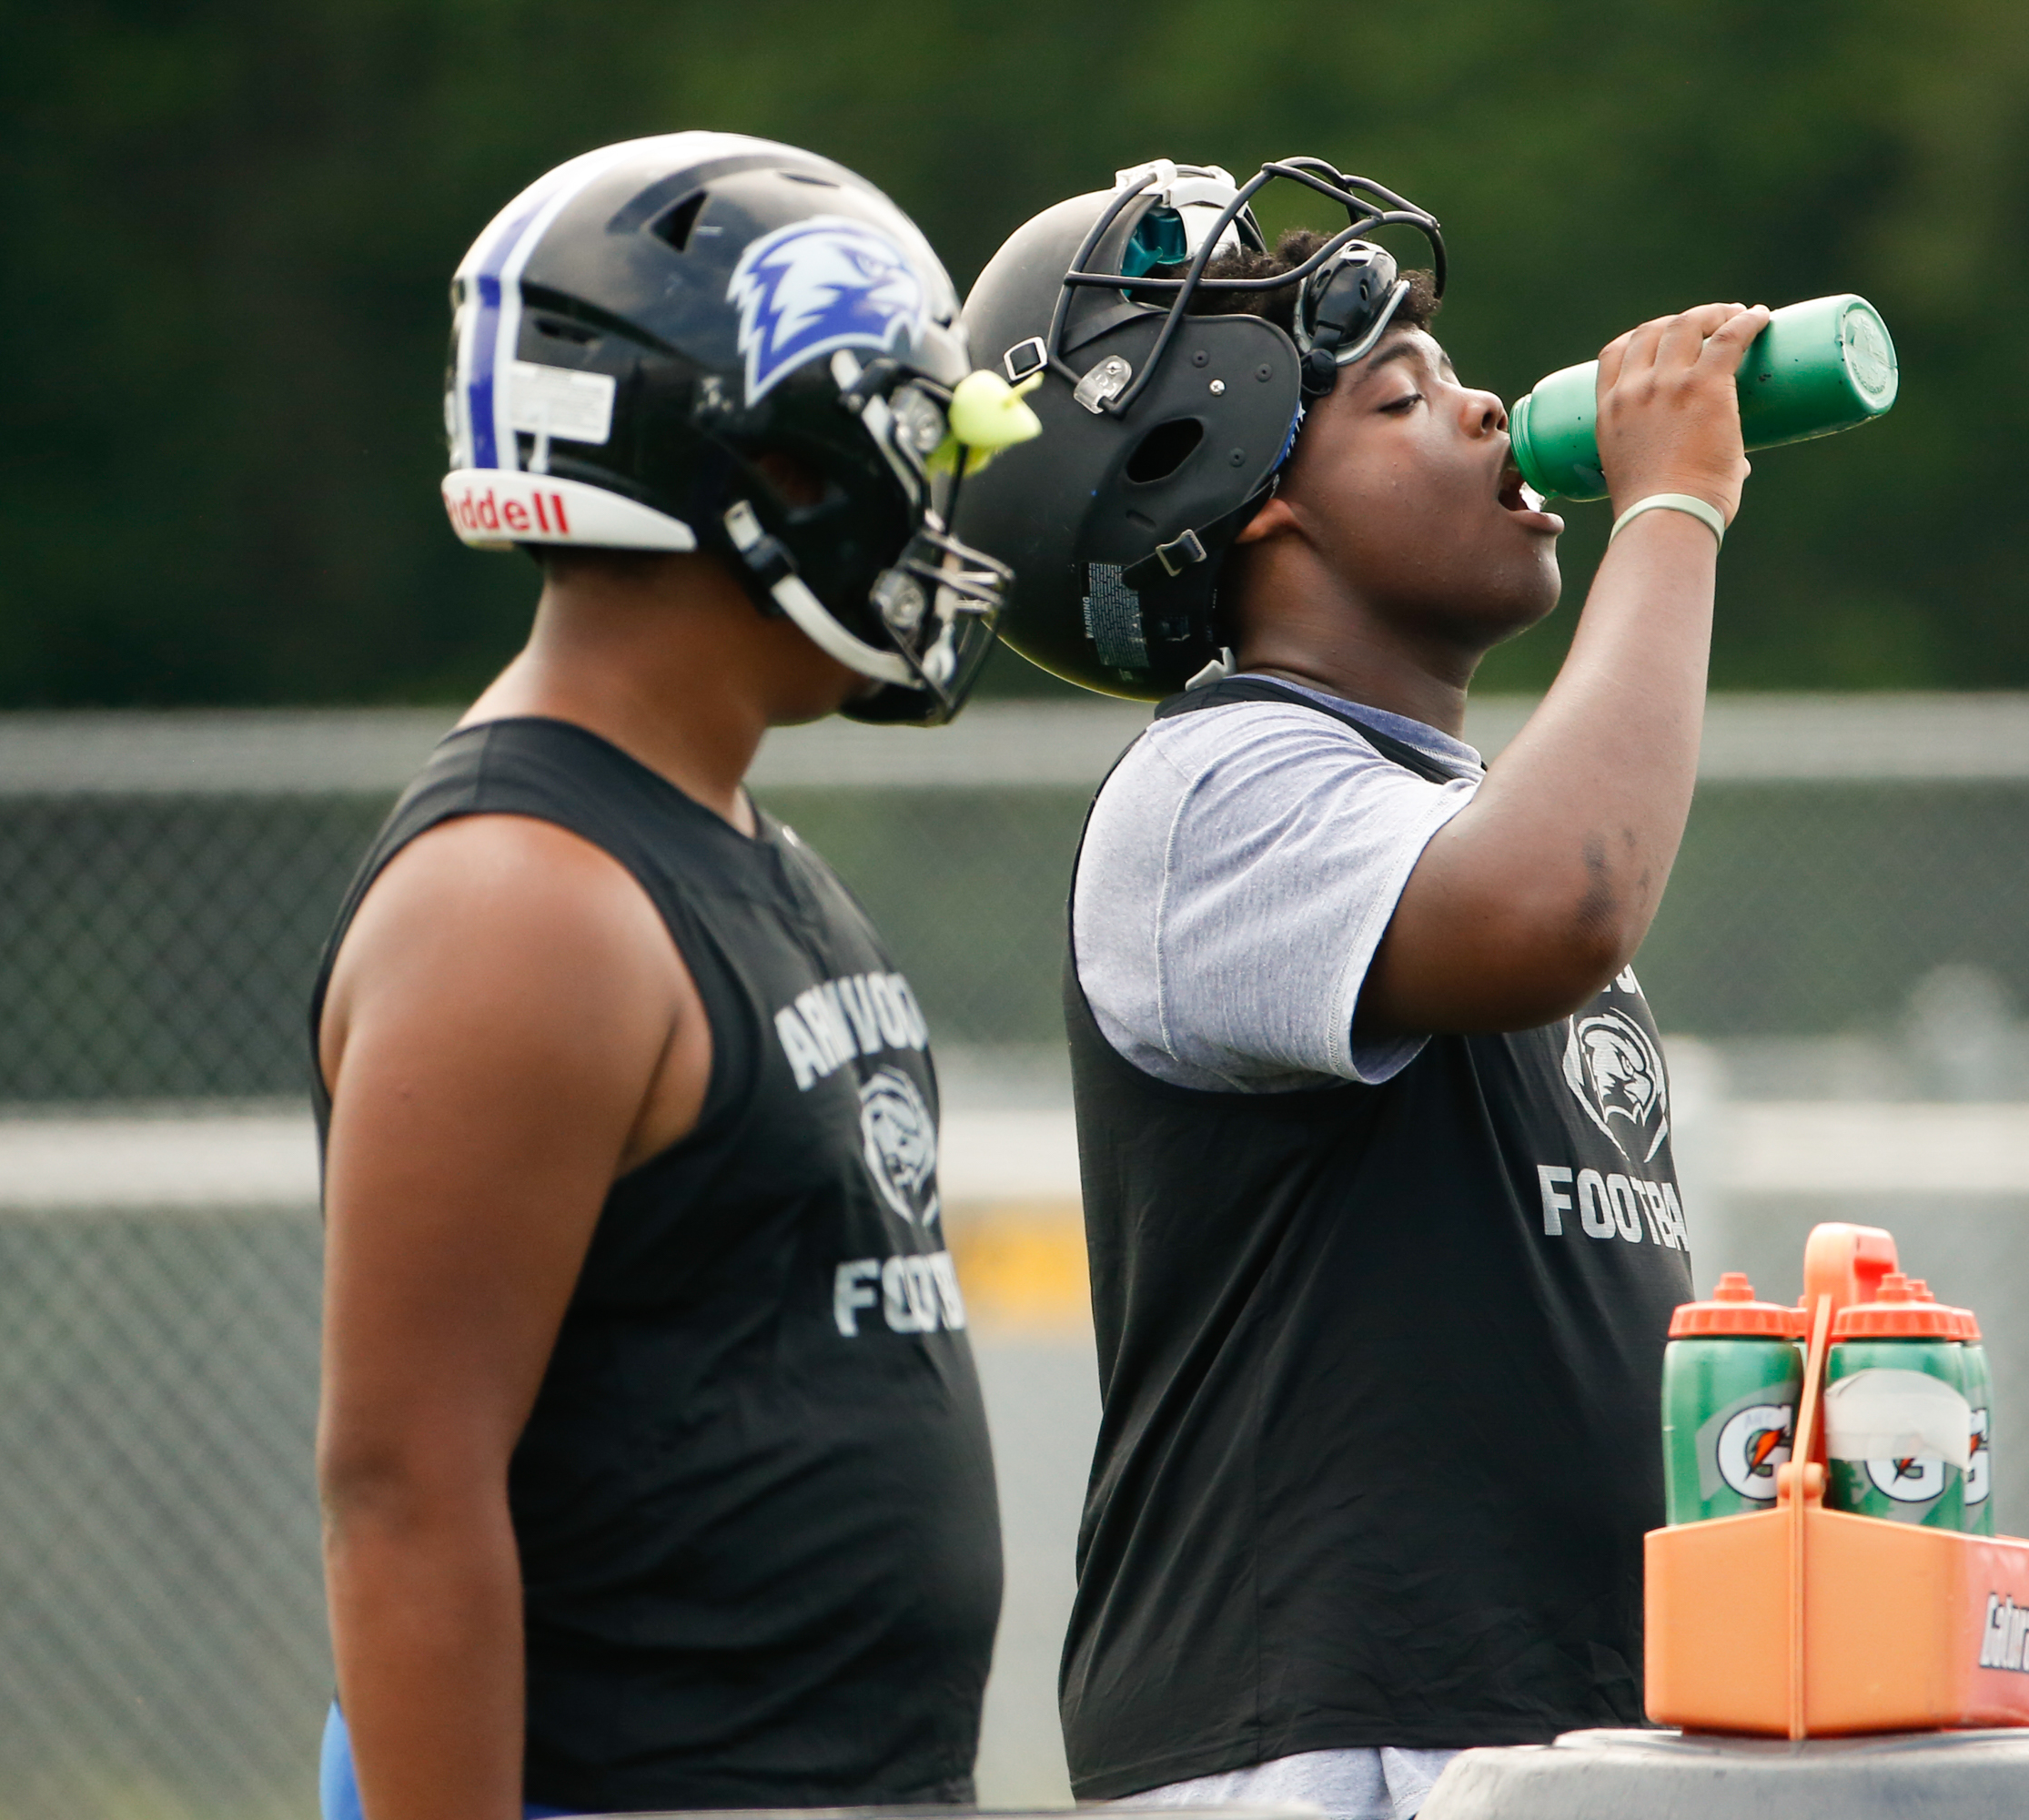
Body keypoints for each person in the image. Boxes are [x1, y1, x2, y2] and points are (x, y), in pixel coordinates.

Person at [952, 159, 1765, 1816]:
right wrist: (1671, 509)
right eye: (1407, 396)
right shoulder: (1218, 790)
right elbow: (1563, 903)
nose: (1486, 416)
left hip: (1526, 1724)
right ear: (1255, 500)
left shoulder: (1448, 821)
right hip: (1320, 1741)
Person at [310, 133, 1040, 1820]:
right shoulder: (522, 902)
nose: (939, 509)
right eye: (912, 447)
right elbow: (404, 1492)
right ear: (774, 470)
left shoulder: (715, 838)